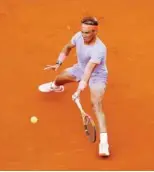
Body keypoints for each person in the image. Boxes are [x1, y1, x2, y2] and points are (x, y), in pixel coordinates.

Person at [38, 16, 110, 157]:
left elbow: (89, 70)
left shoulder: (99, 49)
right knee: (60, 78)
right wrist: (58, 63)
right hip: (80, 68)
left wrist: (79, 89)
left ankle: (104, 142)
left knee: (96, 105)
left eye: (87, 33)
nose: (83, 35)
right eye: (82, 31)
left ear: (95, 32)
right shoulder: (78, 37)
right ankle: (55, 87)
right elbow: (67, 47)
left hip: (97, 76)